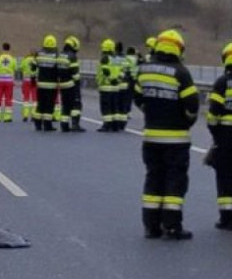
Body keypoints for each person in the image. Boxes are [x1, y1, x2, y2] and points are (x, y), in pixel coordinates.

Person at [133, 29, 198, 240]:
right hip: (176, 139)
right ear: (179, 49)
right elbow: (192, 106)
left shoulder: (143, 70)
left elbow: (137, 98)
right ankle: (172, 226)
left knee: (153, 178)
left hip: (151, 137)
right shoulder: (181, 72)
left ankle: (151, 227)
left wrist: (150, 113)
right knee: (175, 181)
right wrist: (186, 121)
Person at [206, 42, 232, 231]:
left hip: (226, 137)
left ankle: (227, 218)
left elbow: (213, 114)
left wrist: (216, 136)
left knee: (224, 176)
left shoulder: (222, 82)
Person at [58, 35, 85, 132]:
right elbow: (75, 73)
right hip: (71, 85)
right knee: (76, 104)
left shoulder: (60, 55)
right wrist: (78, 82)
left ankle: (64, 125)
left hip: (62, 84)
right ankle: (75, 124)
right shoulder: (72, 57)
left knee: (65, 106)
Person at [34, 35, 60, 131]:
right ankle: (47, 125)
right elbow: (59, 69)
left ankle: (37, 124)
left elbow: (33, 66)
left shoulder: (39, 54)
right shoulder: (56, 55)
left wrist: (33, 78)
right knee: (49, 105)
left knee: (40, 104)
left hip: (41, 84)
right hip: (52, 84)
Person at [96, 39, 121, 132]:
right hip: (116, 87)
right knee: (114, 106)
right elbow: (122, 71)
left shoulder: (105, 58)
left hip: (106, 87)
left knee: (106, 107)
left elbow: (105, 71)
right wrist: (117, 80)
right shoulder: (116, 59)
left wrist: (111, 79)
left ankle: (106, 125)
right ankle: (115, 125)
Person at [0, 42, 17, 123]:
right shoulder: (12, 59)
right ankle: (7, 117)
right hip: (9, 81)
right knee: (8, 98)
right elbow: (16, 68)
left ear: (2, 48)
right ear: (9, 49)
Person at [20, 49, 37, 122]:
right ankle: (34, 115)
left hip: (26, 81)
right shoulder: (37, 60)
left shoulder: (25, 60)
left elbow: (21, 68)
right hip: (34, 81)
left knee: (26, 99)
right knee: (34, 99)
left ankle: (25, 115)